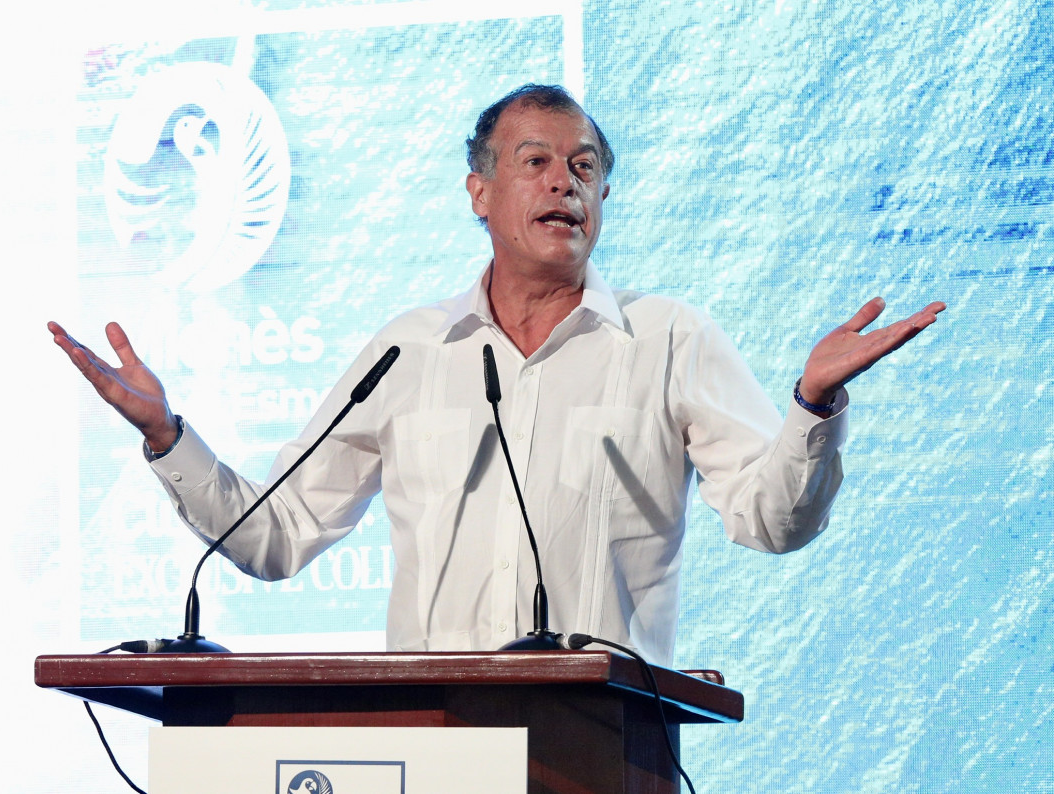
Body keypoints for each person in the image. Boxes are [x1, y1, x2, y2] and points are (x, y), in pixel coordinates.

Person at [49, 84, 944, 665]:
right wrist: (166, 437)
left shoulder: (670, 338)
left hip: (600, 743)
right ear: (479, 193)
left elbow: (772, 522)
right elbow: (273, 535)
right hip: (430, 743)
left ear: (604, 198)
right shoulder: (408, 352)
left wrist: (813, 405)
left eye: (585, 168)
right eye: (537, 162)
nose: (566, 184)